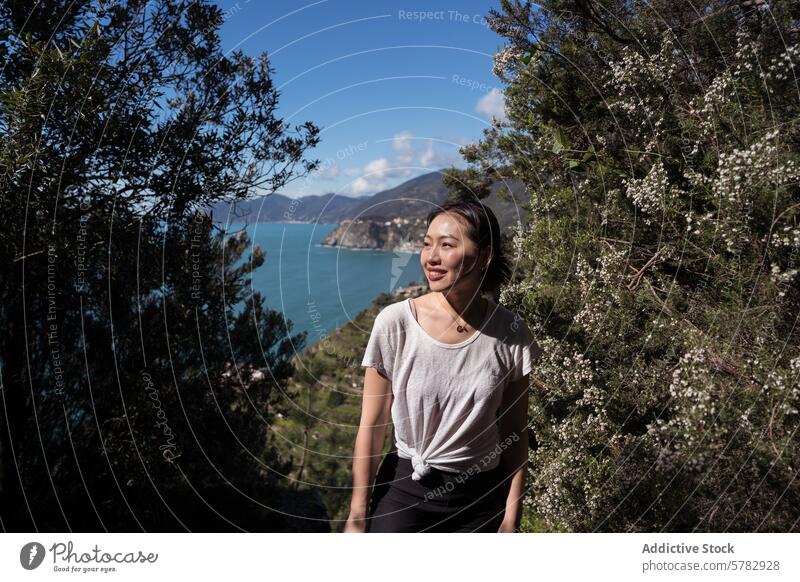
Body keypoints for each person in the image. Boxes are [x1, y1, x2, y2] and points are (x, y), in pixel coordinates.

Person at [344, 198, 541, 533]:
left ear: (484, 256)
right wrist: (358, 514)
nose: (430, 257)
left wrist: (511, 517)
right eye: (426, 244)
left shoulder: (511, 333)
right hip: (404, 492)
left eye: (446, 245)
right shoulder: (395, 323)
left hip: (480, 502)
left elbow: (514, 432)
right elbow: (372, 425)